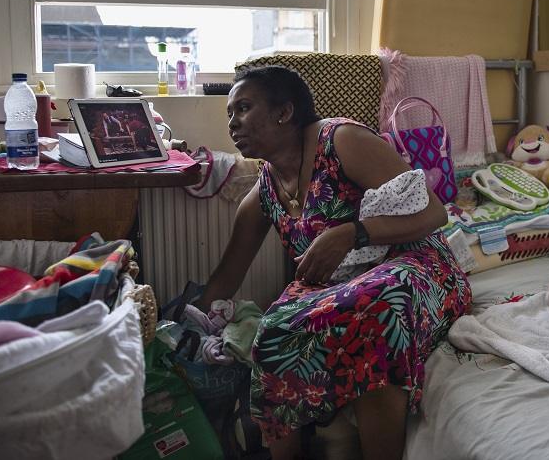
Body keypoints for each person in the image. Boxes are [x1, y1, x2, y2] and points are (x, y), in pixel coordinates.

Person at [197, 65, 471, 460]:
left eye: (243, 108)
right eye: (229, 114)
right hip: (337, 287)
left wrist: (351, 233)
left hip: (412, 265)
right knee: (273, 329)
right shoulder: (264, 194)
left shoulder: (341, 141)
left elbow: (433, 214)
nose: (233, 123)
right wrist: (187, 330)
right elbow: (227, 275)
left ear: (284, 112)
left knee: (377, 307)